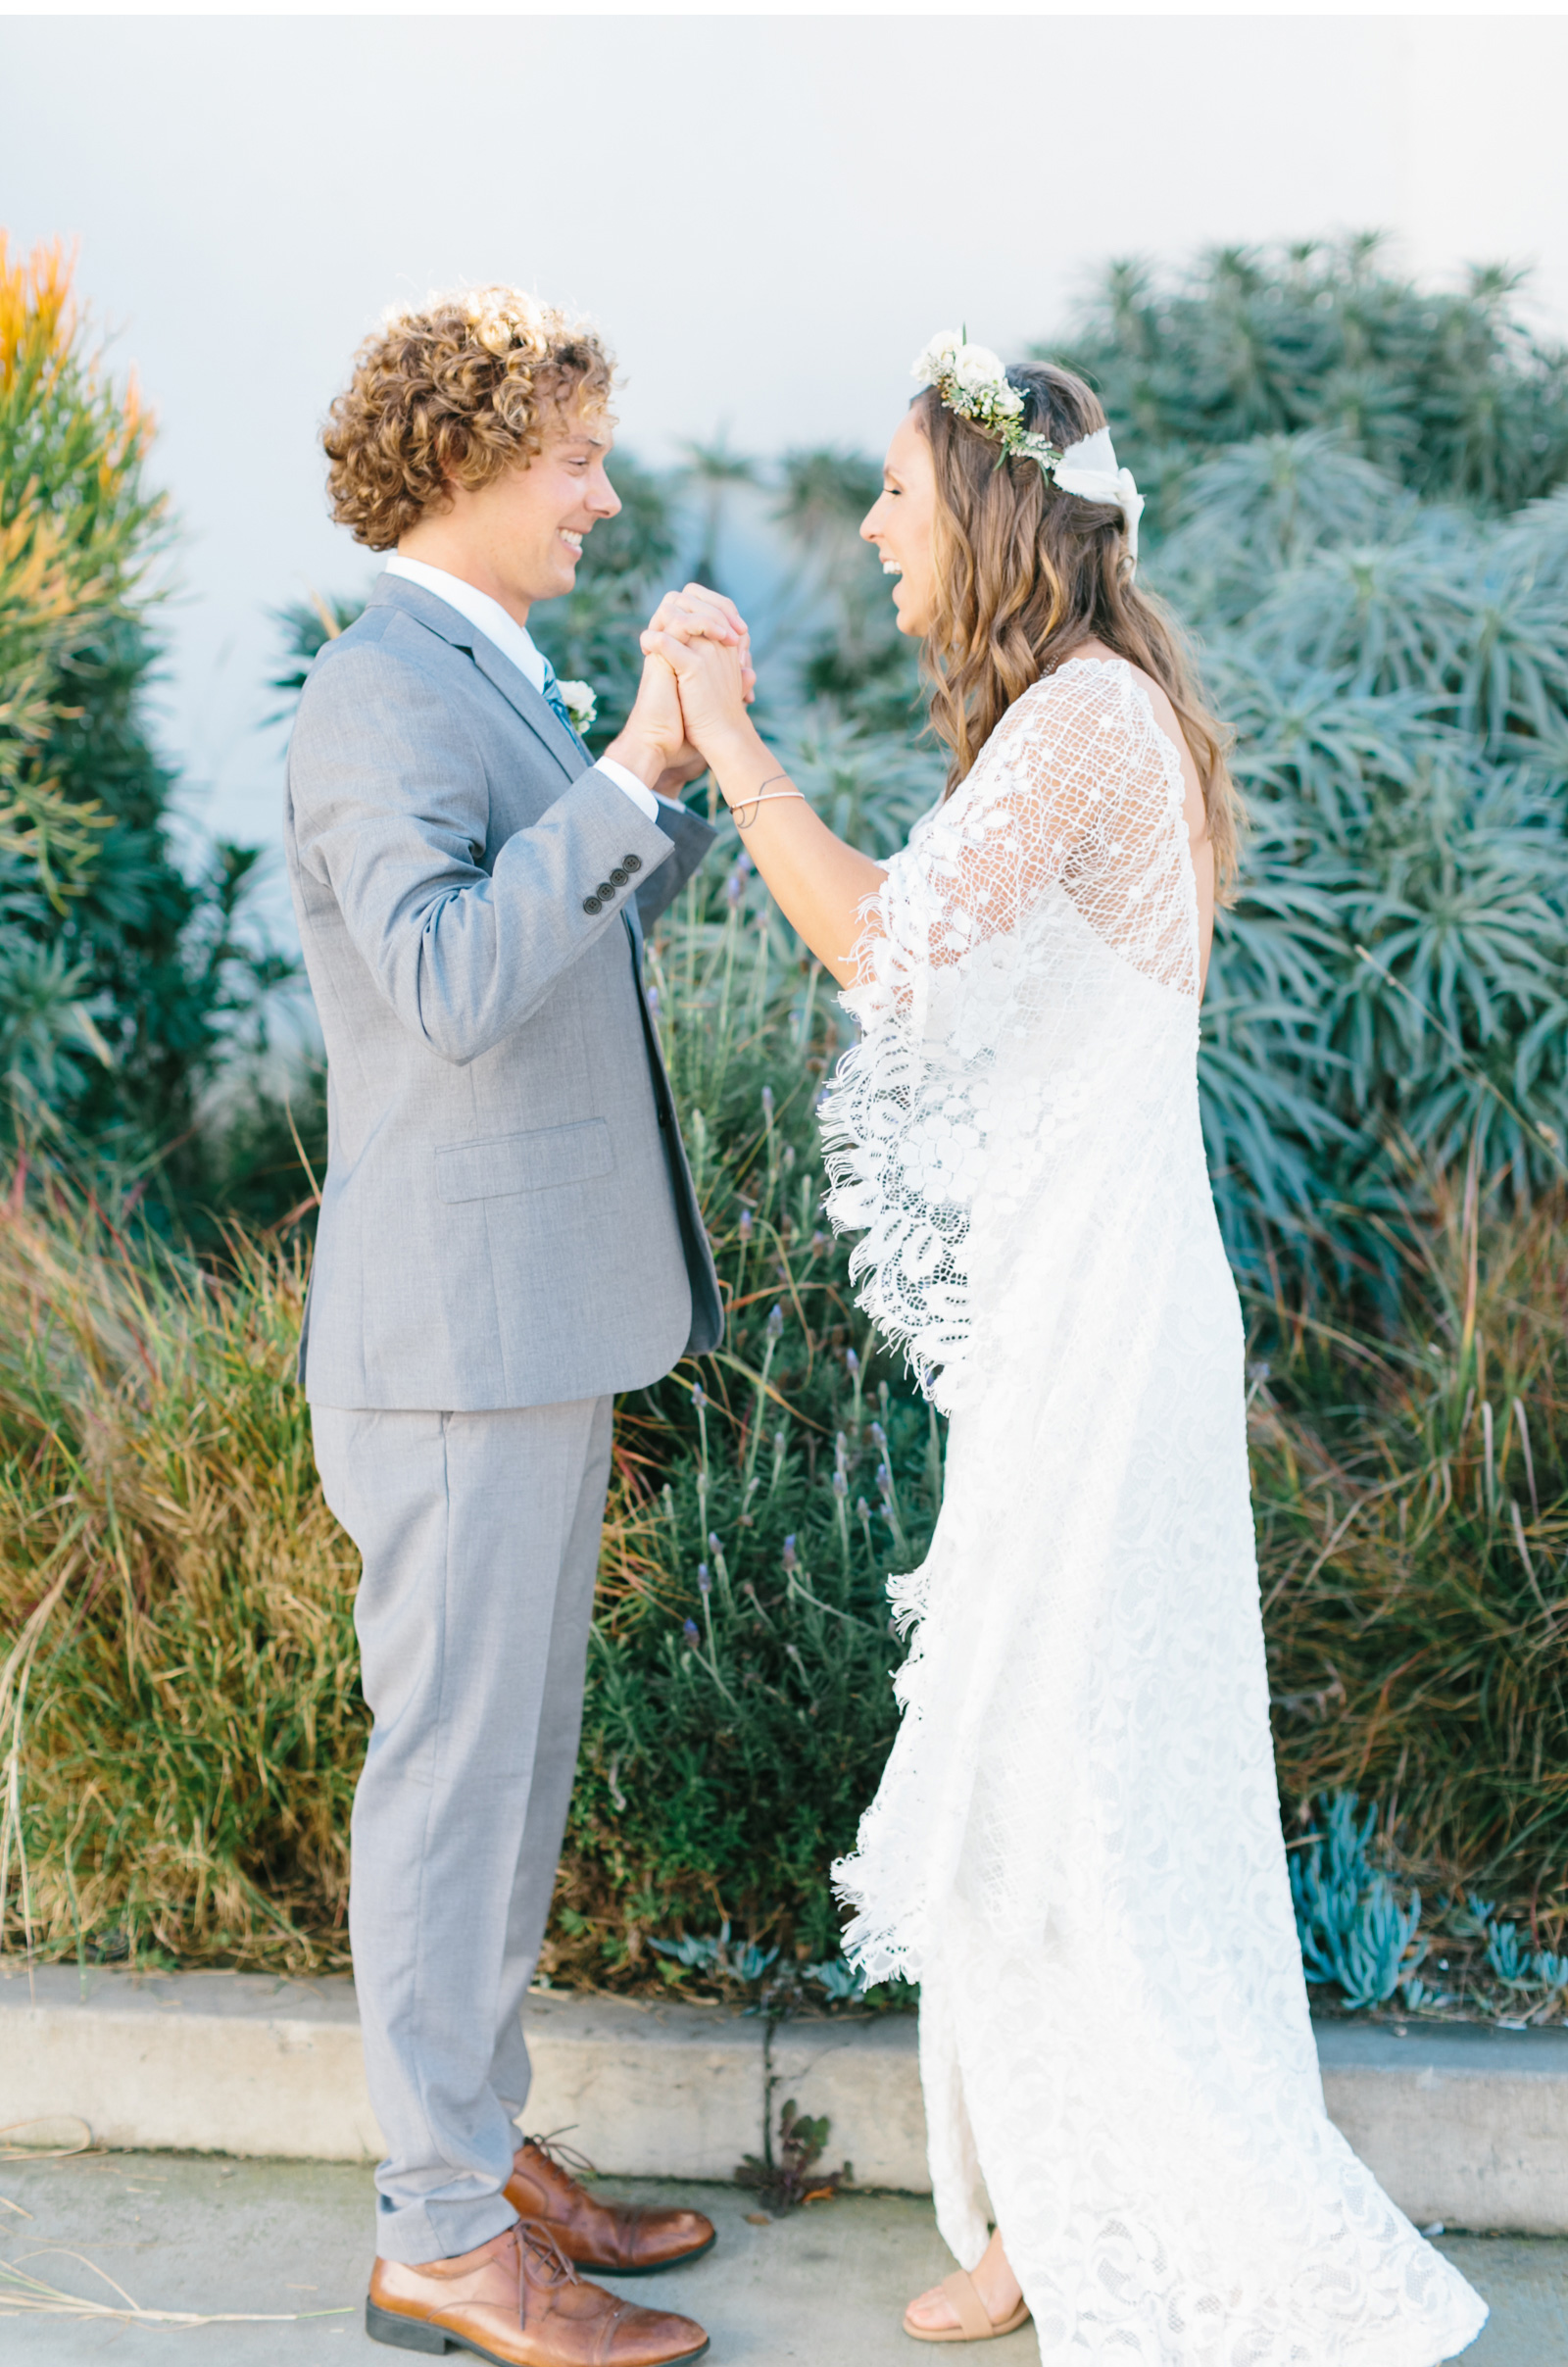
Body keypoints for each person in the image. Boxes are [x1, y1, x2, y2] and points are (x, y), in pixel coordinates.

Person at [640, 336, 1489, 2362]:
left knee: (1075, 1767)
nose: (869, 529)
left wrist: (726, 738)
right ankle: (1049, 2192)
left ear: (993, 514)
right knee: (1048, 1760)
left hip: (1104, 1327)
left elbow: (883, 946)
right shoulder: (1084, 716)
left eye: (898, 500)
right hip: (1083, 1309)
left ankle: (1115, 2202)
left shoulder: (1084, 719)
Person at [284, 285, 747, 2367]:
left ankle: (480, 2155)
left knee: (509, 1766)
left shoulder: (479, 670)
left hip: (528, 1325)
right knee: (455, 1787)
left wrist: (673, 768)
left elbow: (559, 940)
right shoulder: (379, 693)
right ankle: (438, 2233)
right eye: (572, 456)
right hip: (451, 1346)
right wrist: (629, 757)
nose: (603, 489)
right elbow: (455, 981)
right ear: (470, 465)